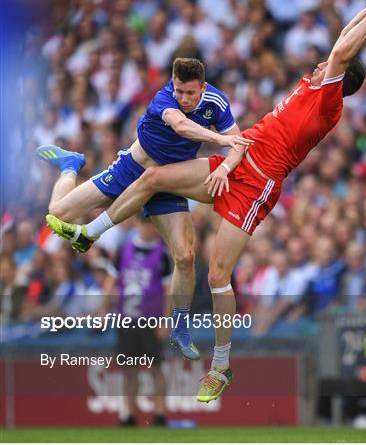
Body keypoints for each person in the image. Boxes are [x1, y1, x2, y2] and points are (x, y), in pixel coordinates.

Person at [46, 0, 366, 402]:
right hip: (235, 163)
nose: (324, 59)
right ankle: (90, 233)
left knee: (218, 275)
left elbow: (344, 49)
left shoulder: (327, 100)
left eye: (331, 63)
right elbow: (343, 38)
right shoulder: (312, 83)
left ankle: (219, 367)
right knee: (153, 177)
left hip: (257, 187)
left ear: (340, 79)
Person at [37, 57, 252, 361]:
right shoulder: (164, 98)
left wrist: (225, 167)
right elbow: (181, 125)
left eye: (190, 93)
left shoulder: (216, 101)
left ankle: (179, 327)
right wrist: (219, 138)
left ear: (202, 88)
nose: (183, 98)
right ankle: (70, 165)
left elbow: (240, 143)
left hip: (168, 183)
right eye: (179, 90)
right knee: (57, 215)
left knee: (186, 256)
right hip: (132, 170)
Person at [116, 216, 171, 427]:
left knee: (156, 368)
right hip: (126, 318)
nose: (152, 229)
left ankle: (160, 414)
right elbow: (115, 280)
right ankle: (128, 414)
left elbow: (168, 291)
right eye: (148, 224)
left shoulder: (163, 254)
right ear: (140, 224)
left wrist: (165, 321)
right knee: (129, 370)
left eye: (154, 224)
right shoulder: (123, 250)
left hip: (151, 319)